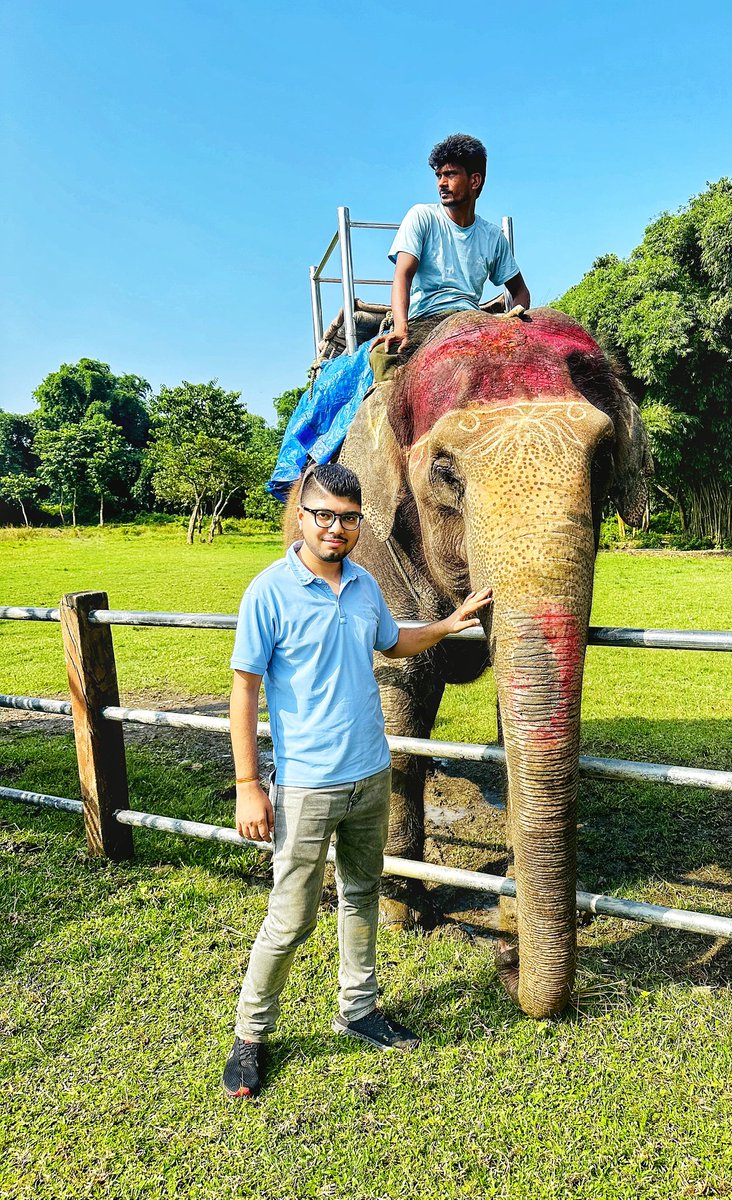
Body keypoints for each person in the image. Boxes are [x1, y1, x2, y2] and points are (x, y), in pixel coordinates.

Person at [223, 461, 491, 1099]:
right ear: (302, 517)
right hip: (307, 784)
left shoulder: (366, 584)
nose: (335, 528)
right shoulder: (269, 591)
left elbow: (394, 643)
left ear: (359, 522)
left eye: (348, 518)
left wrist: (451, 624)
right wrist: (247, 784)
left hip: (371, 772)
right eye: (323, 516)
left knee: (362, 895)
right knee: (289, 918)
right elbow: (243, 688)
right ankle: (250, 1035)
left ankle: (359, 1007)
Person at [370, 133, 531, 374]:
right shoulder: (422, 216)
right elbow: (402, 275)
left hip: (472, 323)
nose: (441, 184)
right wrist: (401, 327)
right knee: (383, 358)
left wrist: (514, 319)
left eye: (450, 174)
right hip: (425, 322)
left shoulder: (492, 237)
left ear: (474, 181)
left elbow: (520, 292)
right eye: (438, 175)